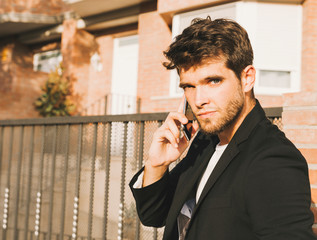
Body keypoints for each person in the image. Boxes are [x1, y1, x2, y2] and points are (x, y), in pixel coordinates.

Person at [129, 17, 316, 240]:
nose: (198, 100)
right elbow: (154, 216)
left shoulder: (273, 159)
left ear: (247, 78)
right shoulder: (204, 141)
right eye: (189, 86)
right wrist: (157, 165)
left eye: (213, 81)